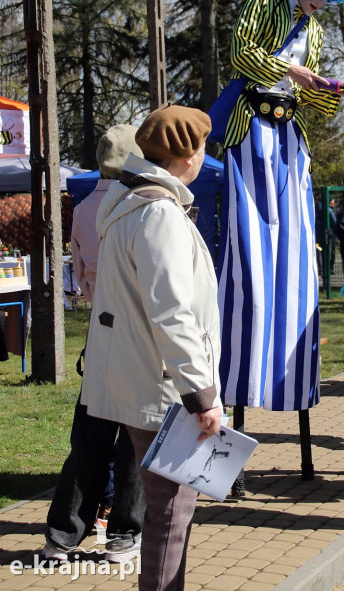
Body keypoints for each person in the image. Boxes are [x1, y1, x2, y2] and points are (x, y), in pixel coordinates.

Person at [81, 103, 222, 591]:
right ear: (187, 156)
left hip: (141, 377)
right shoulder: (158, 213)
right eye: (203, 148)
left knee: (166, 512)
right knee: (171, 515)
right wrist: (201, 394)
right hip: (164, 386)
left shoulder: (131, 202)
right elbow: (173, 312)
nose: (205, 156)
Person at [217, 0, 344, 412]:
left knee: (294, 242)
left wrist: (336, 87)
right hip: (251, 126)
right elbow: (242, 54)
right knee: (250, 242)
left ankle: (287, 373)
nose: (321, 3)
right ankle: (239, 371)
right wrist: (291, 68)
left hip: (288, 133)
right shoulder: (264, 3)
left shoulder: (316, 31)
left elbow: (310, 89)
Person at [43, 125, 146, 564]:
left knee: (90, 435)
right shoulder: (141, 207)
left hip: (101, 327)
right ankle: (125, 533)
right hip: (139, 332)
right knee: (137, 436)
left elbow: (82, 274)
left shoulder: (85, 207)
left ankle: (63, 534)